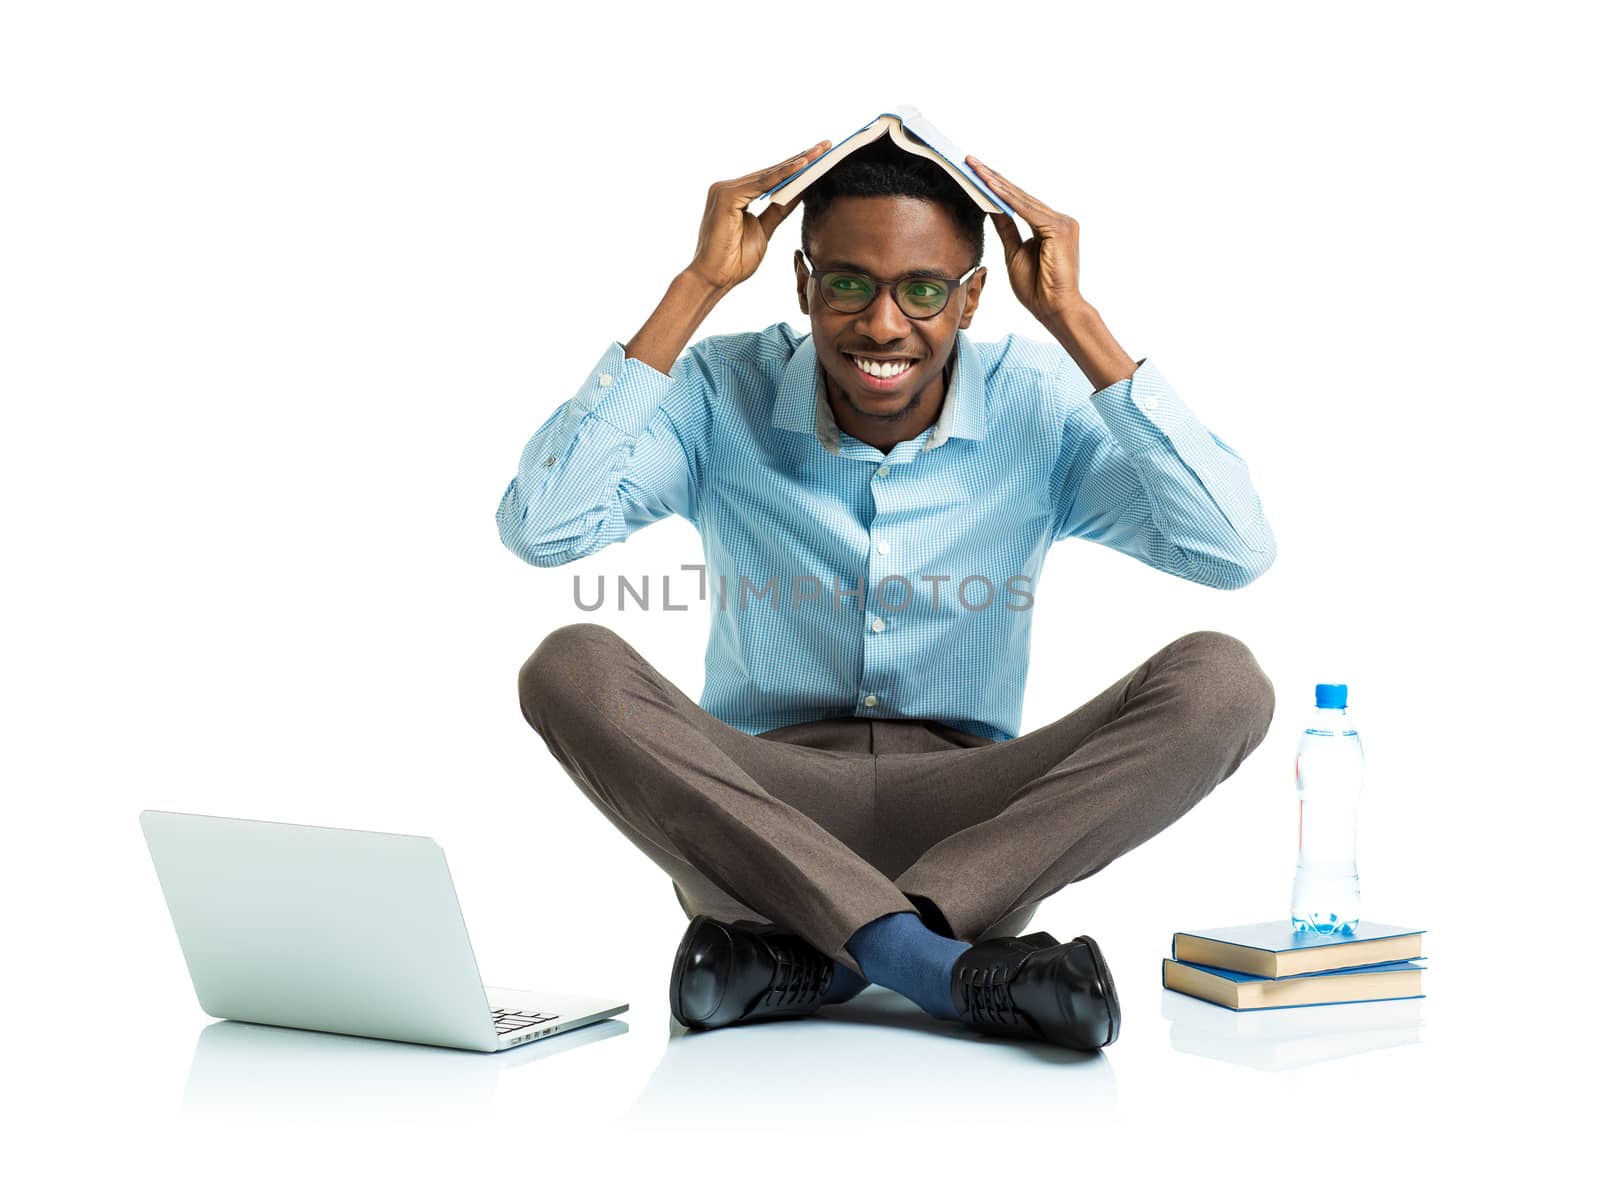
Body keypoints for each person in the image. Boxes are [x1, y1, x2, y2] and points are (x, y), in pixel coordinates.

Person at [497, 133, 1276, 1051]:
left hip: (977, 827)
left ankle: (819, 957)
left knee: (1224, 682)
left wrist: (1075, 319)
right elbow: (541, 526)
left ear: (972, 296)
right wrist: (695, 288)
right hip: (761, 810)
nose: (883, 324)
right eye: (850, 284)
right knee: (569, 666)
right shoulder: (720, 391)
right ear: (803, 284)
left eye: (923, 288)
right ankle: (935, 967)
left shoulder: (1039, 403)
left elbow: (1232, 551)